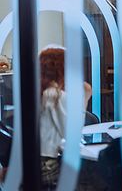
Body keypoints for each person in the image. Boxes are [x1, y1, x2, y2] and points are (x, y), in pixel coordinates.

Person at [39, 45, 94, 188]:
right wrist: (84, 99)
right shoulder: (56, 96)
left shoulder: (40, 92)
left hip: (32, 162)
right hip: (47, 166)